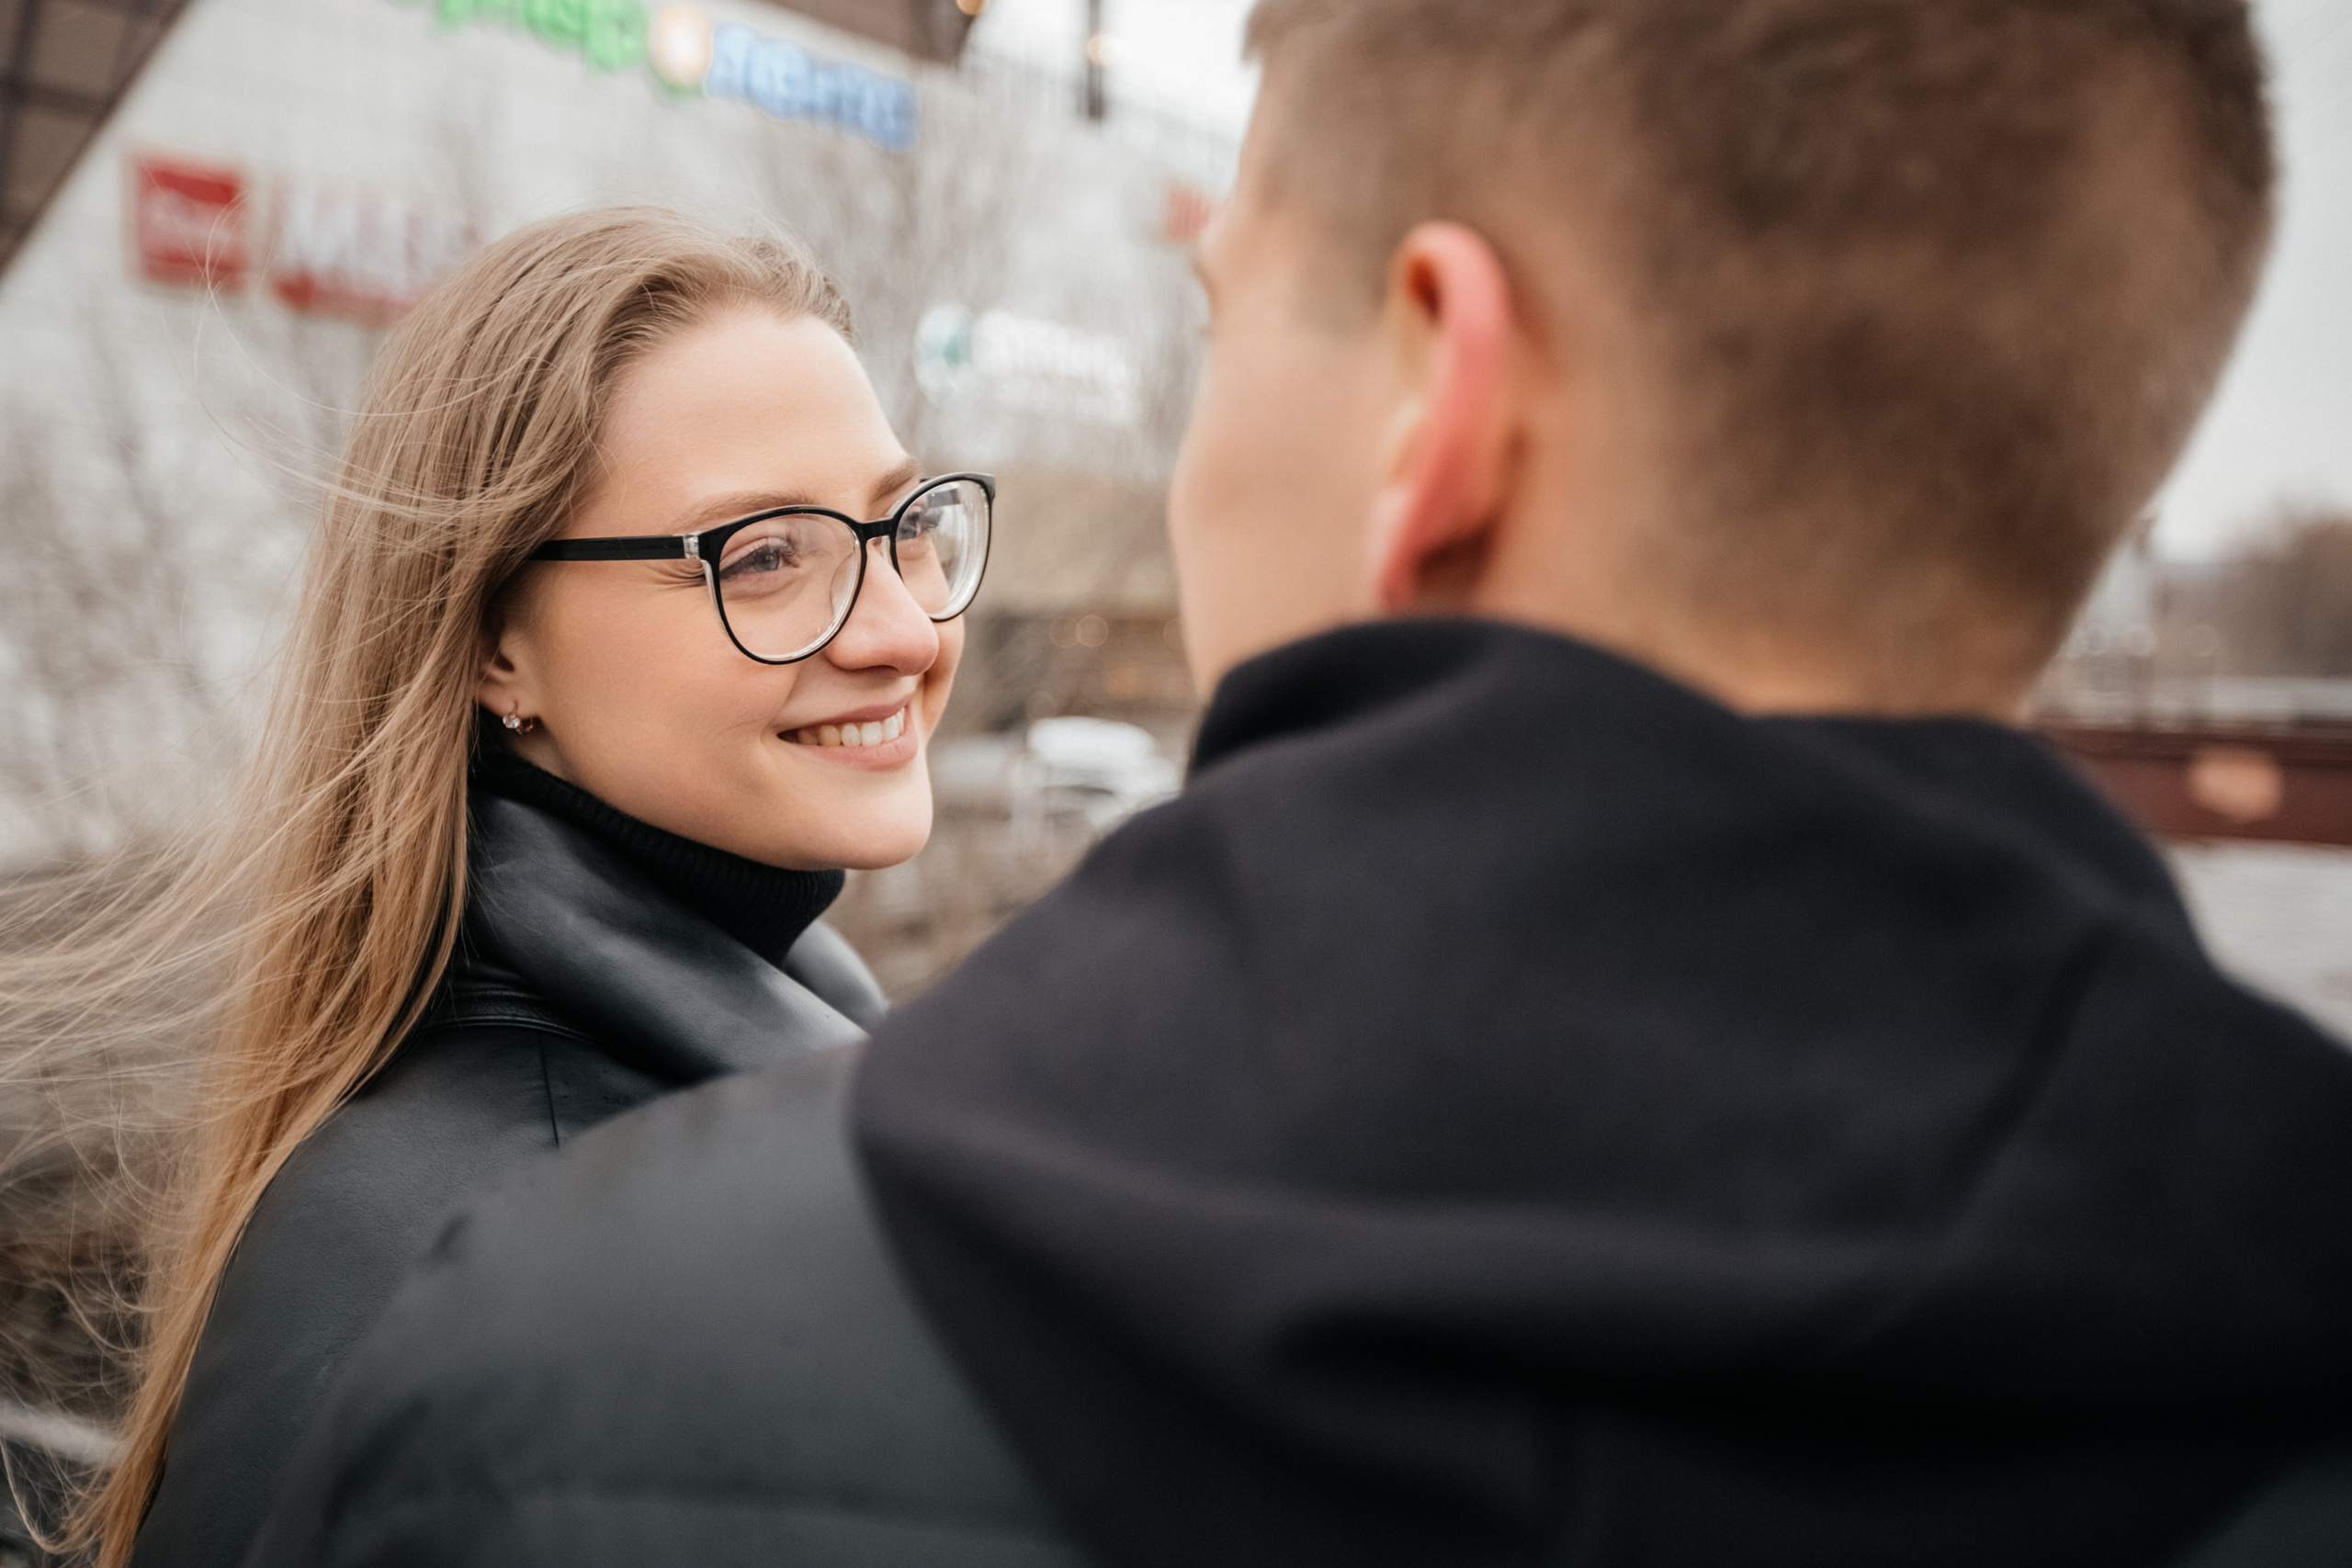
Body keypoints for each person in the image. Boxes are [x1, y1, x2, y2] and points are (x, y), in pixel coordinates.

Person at [244, 2, 2352, 1565]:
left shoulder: (562, 1364)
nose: (897, 626)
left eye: (1225, 315)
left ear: (1435, 394)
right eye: (766, 556)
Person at [25, 207, 993, 1568]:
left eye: (905, 524)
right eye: (767, 557)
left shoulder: (693, 1105)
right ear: (495, 650)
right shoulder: (531, 1264)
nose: (904, 629)